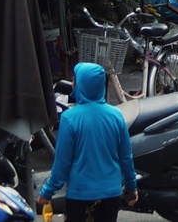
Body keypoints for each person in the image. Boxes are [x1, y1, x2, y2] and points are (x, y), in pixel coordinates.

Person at [39, 62, 136, 222]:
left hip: (81, 196)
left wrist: (47, 192)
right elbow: (126, 157)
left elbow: (62, 163)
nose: (72, 84)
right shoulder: (116, 115)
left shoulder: (70, 119)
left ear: (81, 85)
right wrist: (131, 187)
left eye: (74, 80)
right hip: (112, 194)